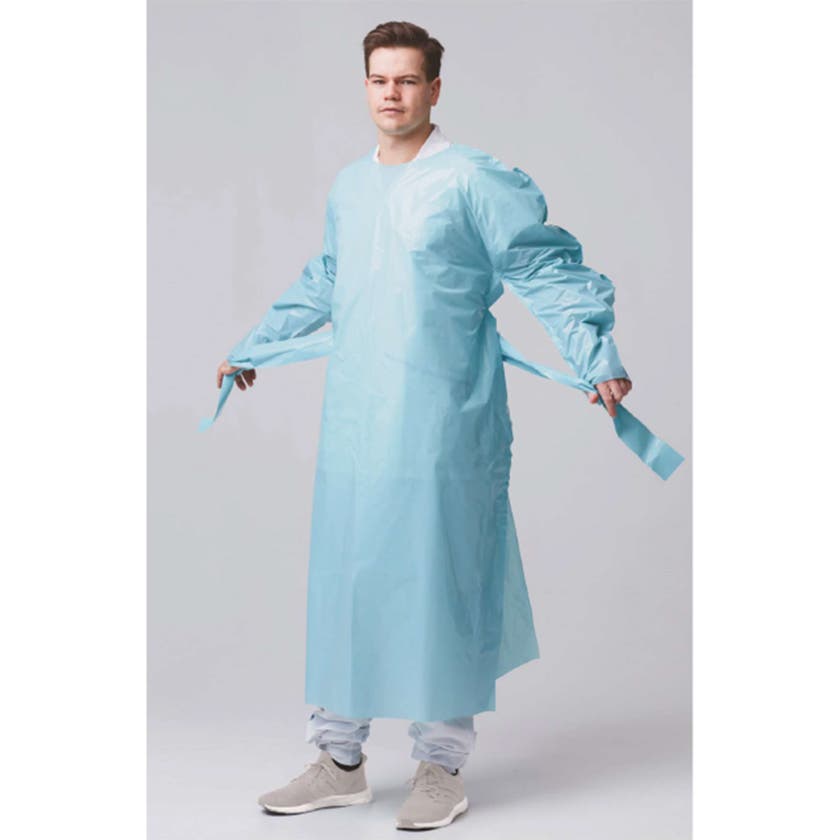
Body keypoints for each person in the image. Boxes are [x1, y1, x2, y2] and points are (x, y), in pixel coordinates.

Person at [215, 21, 633, 831]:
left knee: (443, 578)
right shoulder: (350, 186)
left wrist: (595, 353)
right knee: (349, 578)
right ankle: (339, 760)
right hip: (356, 420)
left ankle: (441, 766)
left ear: (434, 89)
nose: (392, 94)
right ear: (364, 86)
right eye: (379, 79)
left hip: (445, 418)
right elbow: (329, 277)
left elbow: (544, 266)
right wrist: (255, 344)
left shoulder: (471, 179)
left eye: (407, 80)